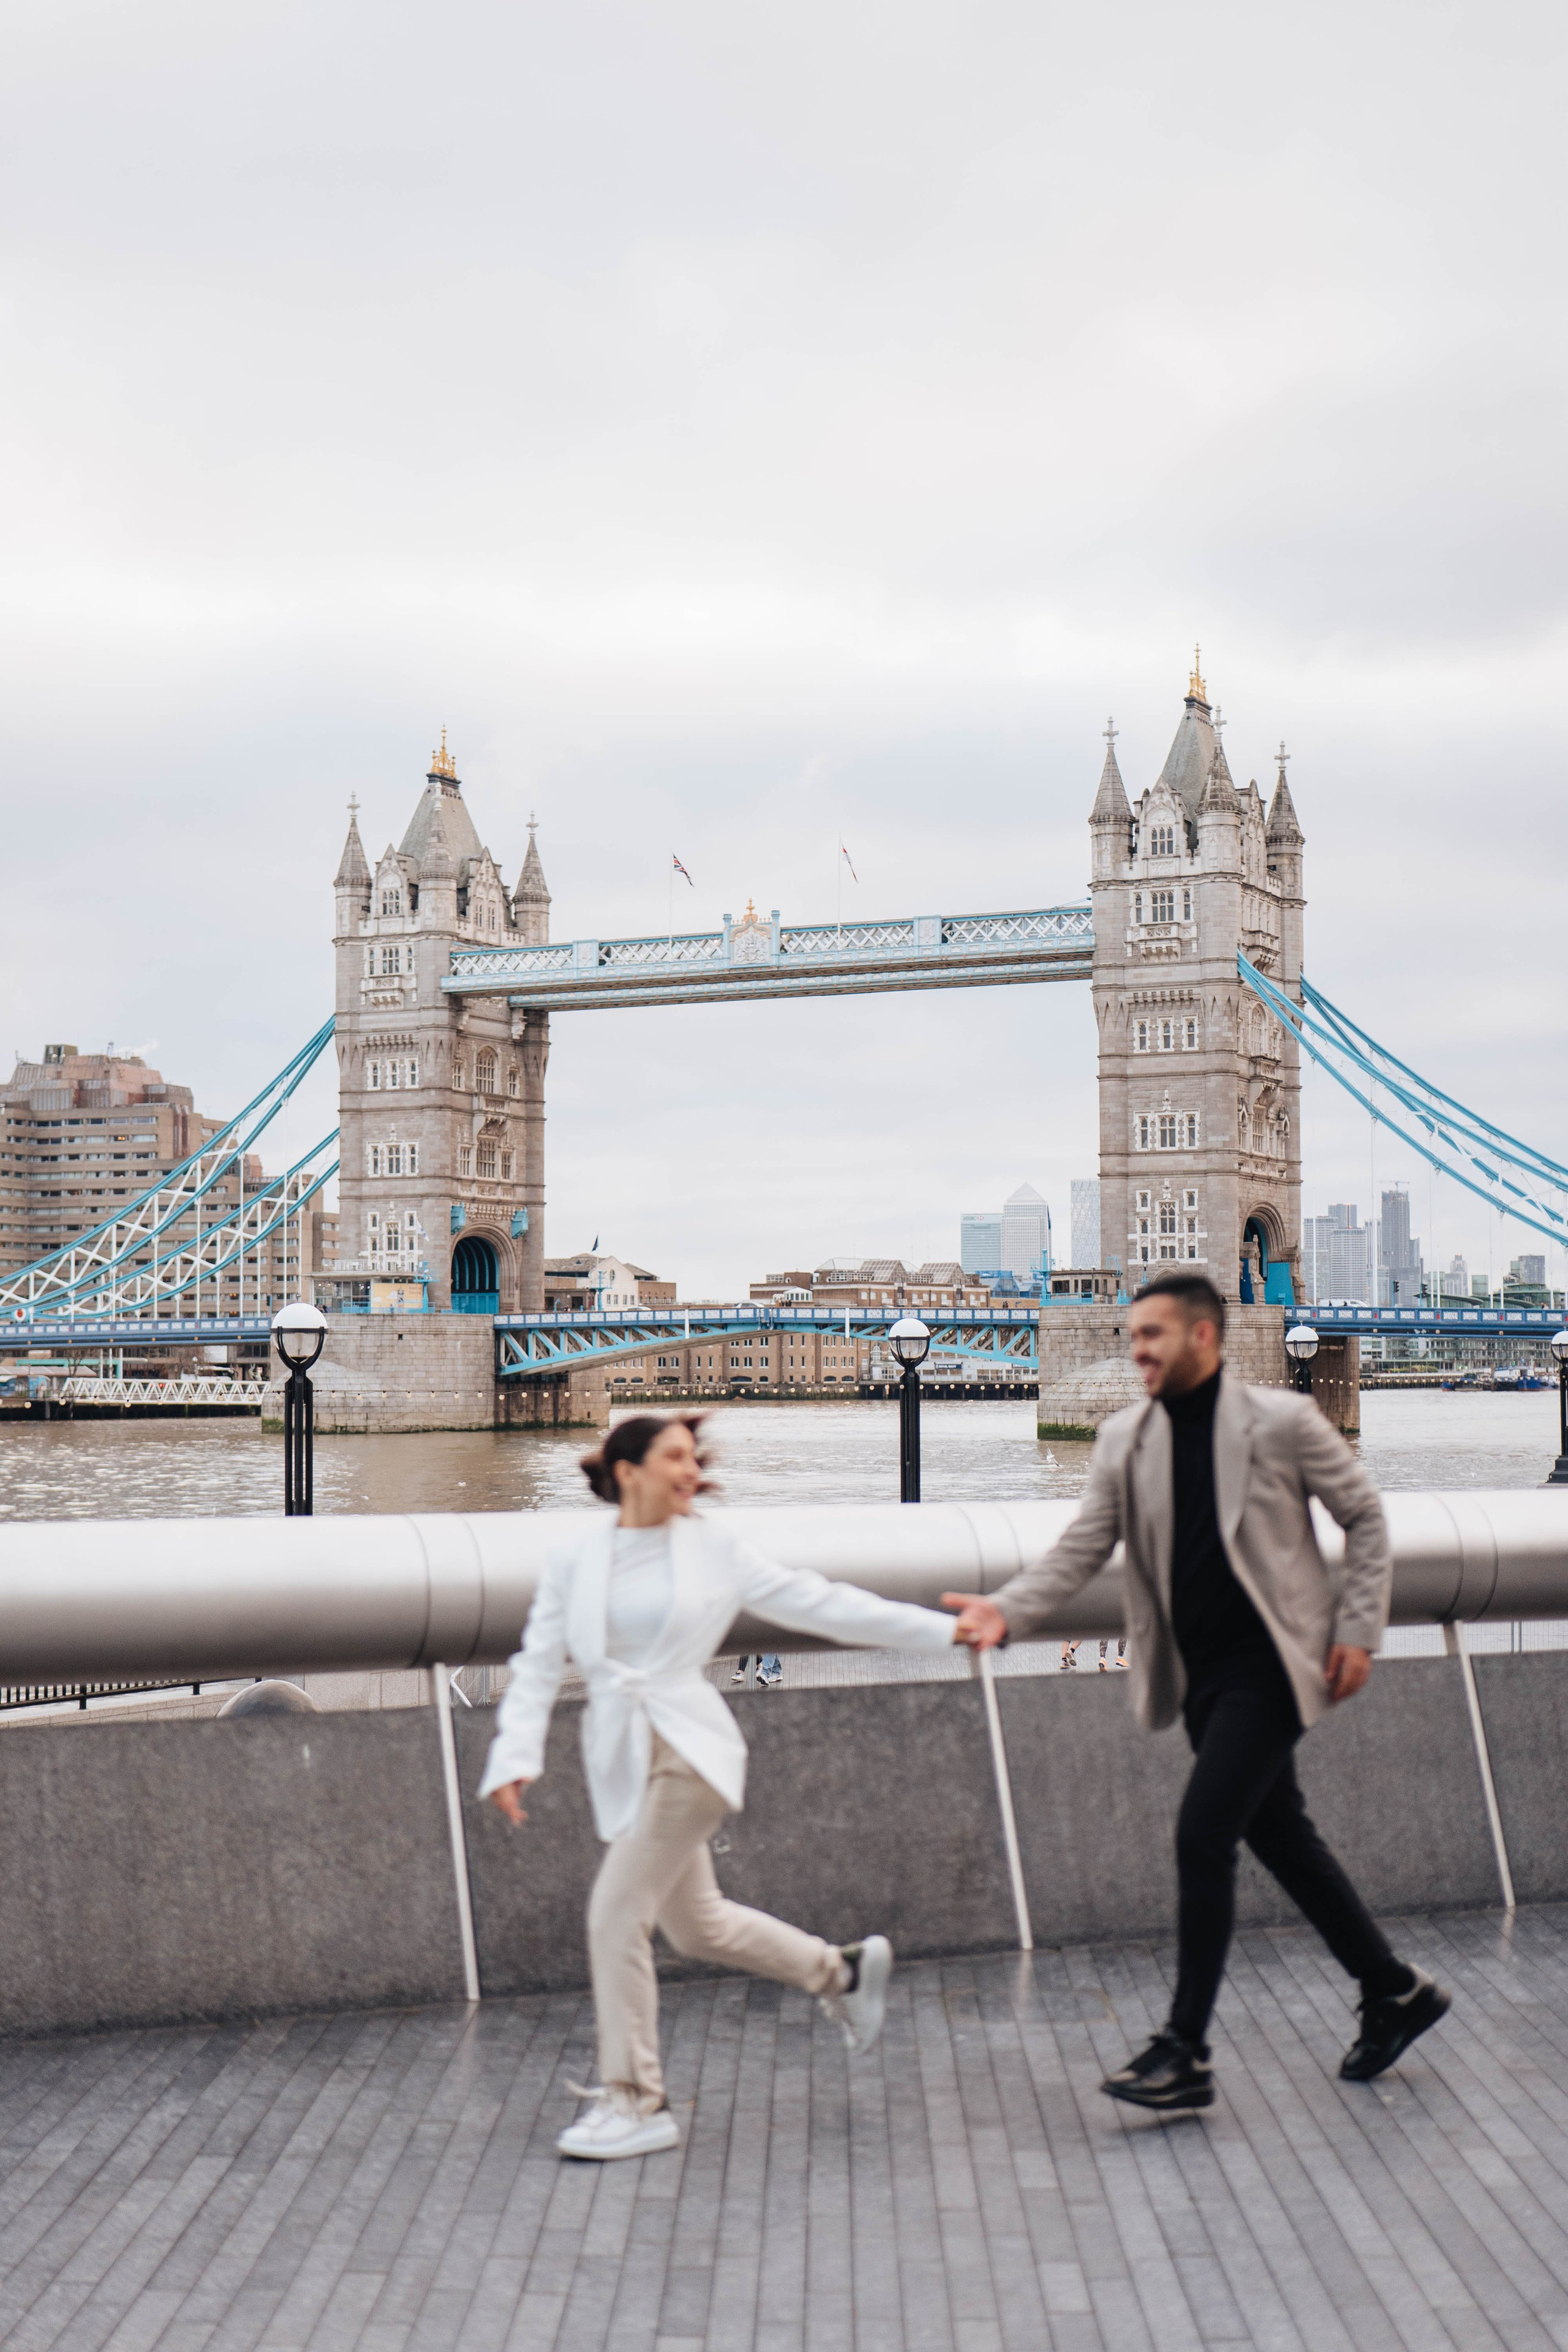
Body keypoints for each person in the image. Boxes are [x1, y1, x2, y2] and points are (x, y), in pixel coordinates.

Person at [944, 1268, 1449, 2114]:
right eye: (1132, 1336)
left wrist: (1359, 1631)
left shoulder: (1282, 1422)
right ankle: (1393, 1988)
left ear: (1204, 1337)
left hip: (1272, 1666)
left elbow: (1365, 1517)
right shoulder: (1122, 1440)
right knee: (1282, 1838)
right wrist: (1006, 1609)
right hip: (1198, 1674)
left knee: (1202, 1837)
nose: (1135, 1349)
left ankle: (1186, 2050)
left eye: (1152, 1335)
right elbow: (1081, 1548)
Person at [480, 1412, 962, 2162]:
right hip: (625, 1756)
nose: (690, 1469)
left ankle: (636, 2102)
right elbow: (539, 1662)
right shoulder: (579, 1556)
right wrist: (514, 1757)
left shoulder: (712, 1548)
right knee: (697, 1925)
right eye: (673, 1456)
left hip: (690, 1751)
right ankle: (840, 1972)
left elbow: (824, 1604)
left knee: (614, 1918)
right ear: (626, 1469)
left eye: (693, 1456)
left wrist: (944, 1631)